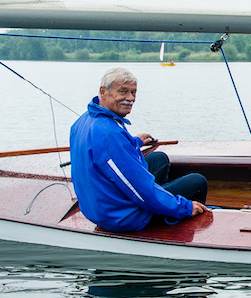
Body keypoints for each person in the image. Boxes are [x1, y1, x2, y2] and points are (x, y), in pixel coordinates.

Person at [69, 67, 208, 231]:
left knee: (159, 158)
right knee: (197, 181)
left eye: (133, 92)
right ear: (103, 91)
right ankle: (179, 231)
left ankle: (164, 205)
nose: (130, 98)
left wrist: (134, 142)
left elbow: (106, 154)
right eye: (123, 91)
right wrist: (183, 206)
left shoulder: (83, 121)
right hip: (121, 216)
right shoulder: (110, 134)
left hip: (100, 205)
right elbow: (137, 187)